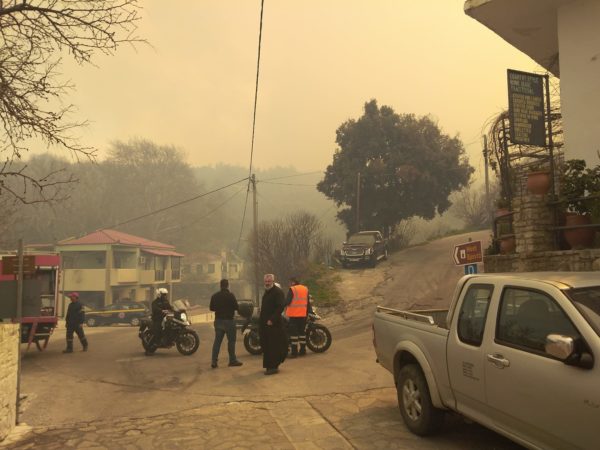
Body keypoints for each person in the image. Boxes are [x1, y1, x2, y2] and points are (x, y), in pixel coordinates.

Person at [209, 279, 243, 368]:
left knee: (217, 341)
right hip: (229, 321)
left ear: (220, 286)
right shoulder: (231, 296)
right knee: (231, 341)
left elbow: (211, 308)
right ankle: (232, 360)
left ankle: (214, 361)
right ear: (228, 285)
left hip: (219, 321)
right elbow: (236, 307)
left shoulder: (215, 296)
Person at [259, 273, 287, 375]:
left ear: (273, 281)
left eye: (269, 281)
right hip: (265, 324)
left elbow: (280, 307)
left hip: (274, 325)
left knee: (273, 346)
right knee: (267, 345)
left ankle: (274, 367)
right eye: (266, 281)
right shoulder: (267, 292)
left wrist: (272, 319)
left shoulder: (277, 292)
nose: (267, 283)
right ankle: (269, 366)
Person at [285, 277, 312, 358]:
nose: (290, 284)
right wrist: (309, 311)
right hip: (303, 315)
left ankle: (294, 353)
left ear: (293, 282)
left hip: (294, 315)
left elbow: (287, 301)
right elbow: (307, 302)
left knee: (294, 334)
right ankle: (303, 350)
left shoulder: (292, 289)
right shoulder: (305, 289)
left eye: (290, 282)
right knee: (302, 333)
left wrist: (281, 304)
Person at [147, 287, 173, 355]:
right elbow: (155, 309)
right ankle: (149, 349)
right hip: (157, 318)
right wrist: (161, 310)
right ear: (159, 294)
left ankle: (169, 340)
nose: (165, 296)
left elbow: (170, 307)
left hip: (165, 318)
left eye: (165, 294)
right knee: (157, 331)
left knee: (171, 325)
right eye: (164, 294)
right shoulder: (155, 302)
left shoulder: (166, 301)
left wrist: (175, 309)